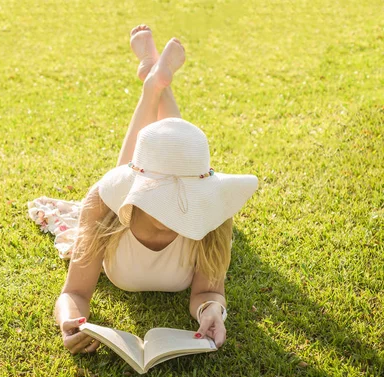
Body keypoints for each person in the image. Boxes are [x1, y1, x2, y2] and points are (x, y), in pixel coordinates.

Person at [53, 25, 258, 355]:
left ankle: (153, 79)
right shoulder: (105, 206)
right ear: (138, 191)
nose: (177, 211)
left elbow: (208, 292)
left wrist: (213, 313)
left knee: (170, 150)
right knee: (138, 160)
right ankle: (153, 83)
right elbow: (74, 294)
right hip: (123, 199)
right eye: (162, 201)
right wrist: (71, 321)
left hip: (142, 179)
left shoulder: (212, 218)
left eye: (186, 201)